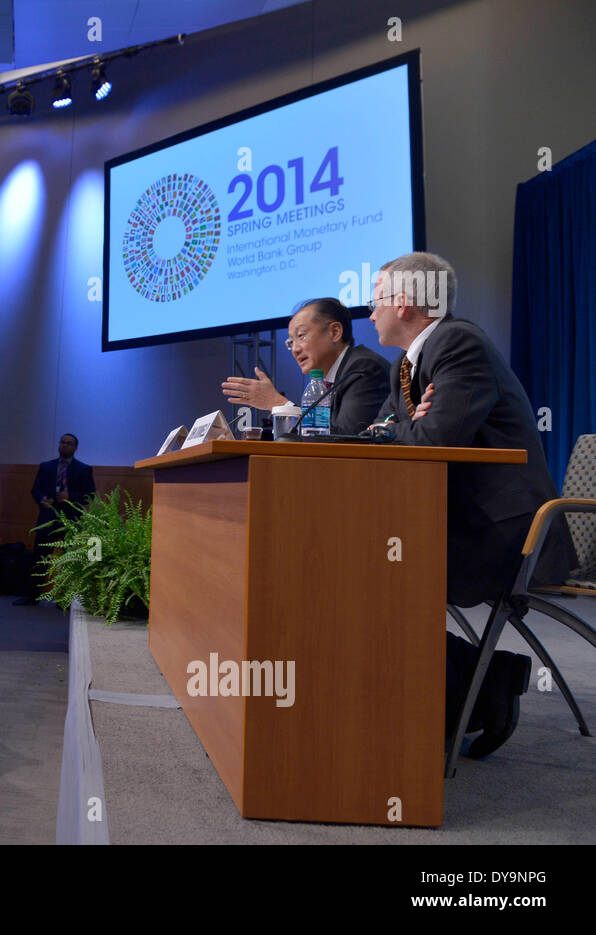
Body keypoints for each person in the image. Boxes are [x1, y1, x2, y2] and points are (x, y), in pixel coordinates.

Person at [367, 250, 575, 759]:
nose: (369, 313)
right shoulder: (408, 364)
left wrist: (403, 429)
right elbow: (377, 433)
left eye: (375, 301)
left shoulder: (458, 343)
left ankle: (476, 689)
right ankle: (485, 682)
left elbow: (433, 438)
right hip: (463, 521)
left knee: (374, 570)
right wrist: (401, 428)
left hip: (506, 531)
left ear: (405, 303)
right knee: (361, 564)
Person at [221, 297, 390, 435]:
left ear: (335, 332)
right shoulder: (323, 382)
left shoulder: (363, 369)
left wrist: (278, 403)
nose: (295, 349)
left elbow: (345, 438)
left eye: (301, 336)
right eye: (291, 342)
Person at [16, 433, 96, 605]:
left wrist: (70, 496)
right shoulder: (46, 467)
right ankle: (32, 596)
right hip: (48, 517)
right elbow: (35, 490)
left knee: (69, 560)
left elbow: (90, 495)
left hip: (71, 519)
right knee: (40, 558)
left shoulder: (83, 469)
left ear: (75, 448)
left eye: (69, 443)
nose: (65, 445)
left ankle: (65, 600)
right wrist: (41, 500)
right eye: (63, 442)